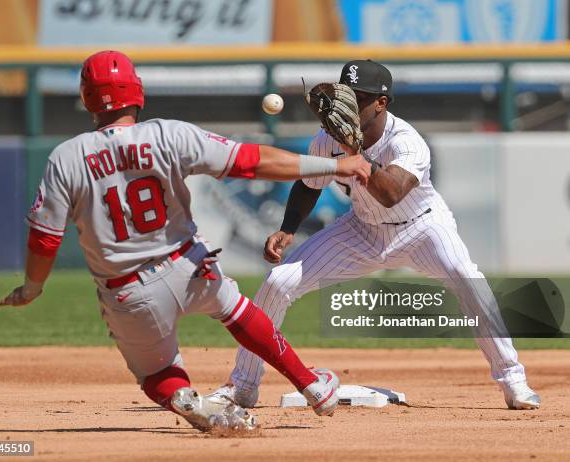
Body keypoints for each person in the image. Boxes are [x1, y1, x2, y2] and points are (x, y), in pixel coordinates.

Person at [0, 51, 374, 432]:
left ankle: (184, 397)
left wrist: (32, 287)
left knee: (157, 375)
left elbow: (45, 240)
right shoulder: (168, 134)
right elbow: (251, 162)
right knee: (237, 310)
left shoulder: (67, 157)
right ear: (137, 91)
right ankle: (313, 386)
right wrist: (336, 164)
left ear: (87, 98)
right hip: (188, 265)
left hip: (128, 291)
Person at [210, 59, 541, 411]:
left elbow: (392, 194)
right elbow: (309, 184)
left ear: (381, 103)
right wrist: (288, 228)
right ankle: (243, 385)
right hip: (363, 230)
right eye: (345, 96)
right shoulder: (327, 139)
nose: (347, 106)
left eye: (359, 98)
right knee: (277, 282)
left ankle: (513, 379)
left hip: (423, 228)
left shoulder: (408, 142)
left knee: (467, 278)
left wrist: (356, 151)